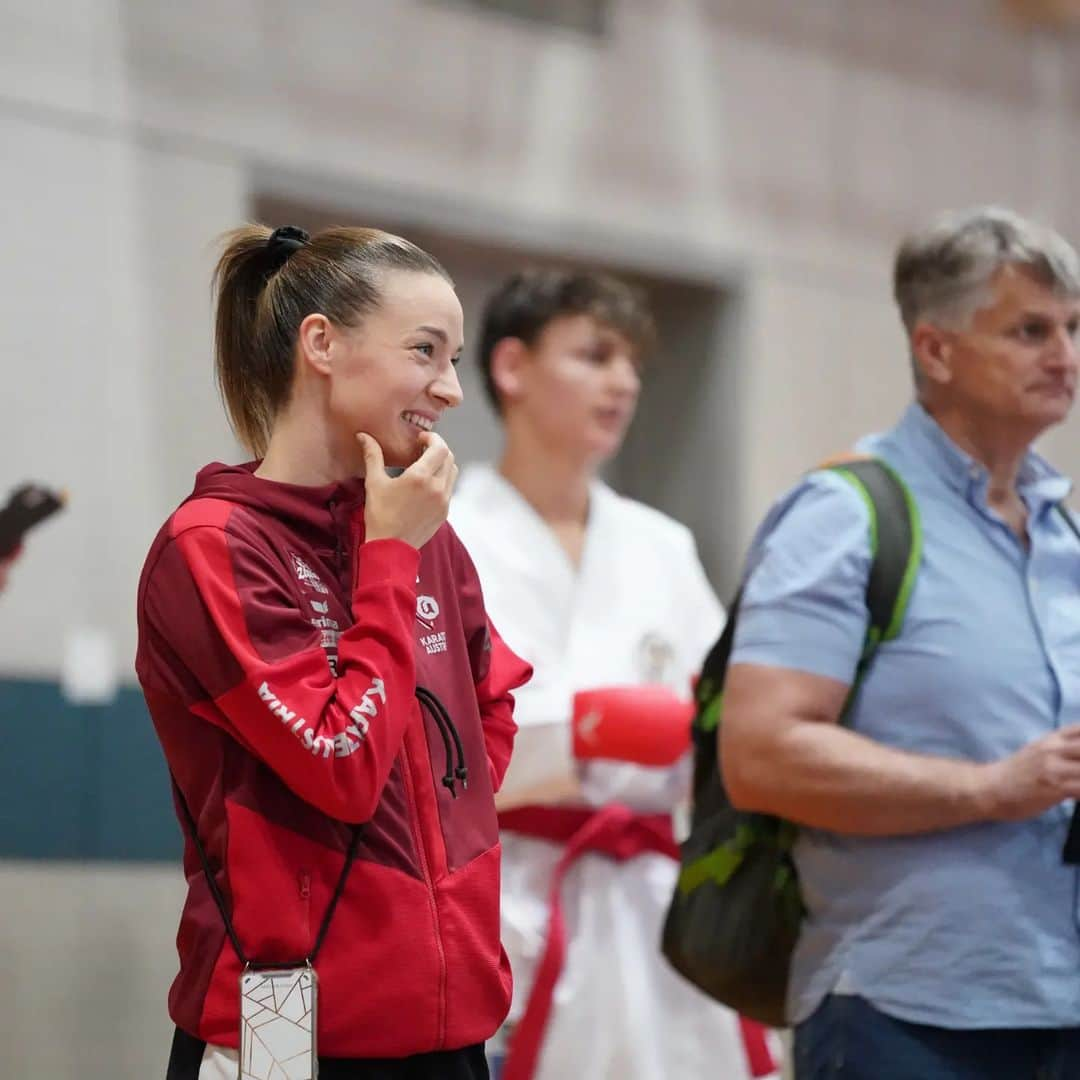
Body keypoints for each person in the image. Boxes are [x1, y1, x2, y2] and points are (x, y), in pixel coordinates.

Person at [136, 224, 531, 1080]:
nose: (452, 389)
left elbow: (490, 700)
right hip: (282, 1026)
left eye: (455, 357)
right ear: (322, 343)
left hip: (451, 1028)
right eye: (425, 351)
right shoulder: (211, 546)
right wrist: (387, 558)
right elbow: (342, 769)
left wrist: (439, 824)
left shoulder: (425, 536)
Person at [721, 206, 1080, 1079]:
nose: (1065, 357)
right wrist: (991, 787)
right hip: (900, 1011)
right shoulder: (845, 517)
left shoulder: (1064, 532)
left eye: (1072, 328)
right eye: (1030, 330)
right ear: (936, 349)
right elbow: (761, 755)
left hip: (1059, 1001)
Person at [450, 269, 776, 1079]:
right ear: (512, 368)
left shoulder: (660, 543)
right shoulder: (445, 531)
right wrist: (588, 728)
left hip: (657, 907)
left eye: (631, 363)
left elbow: (718, 723)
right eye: (595, 355)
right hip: (513, 899)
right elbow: (424, 748)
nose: (623, 382)